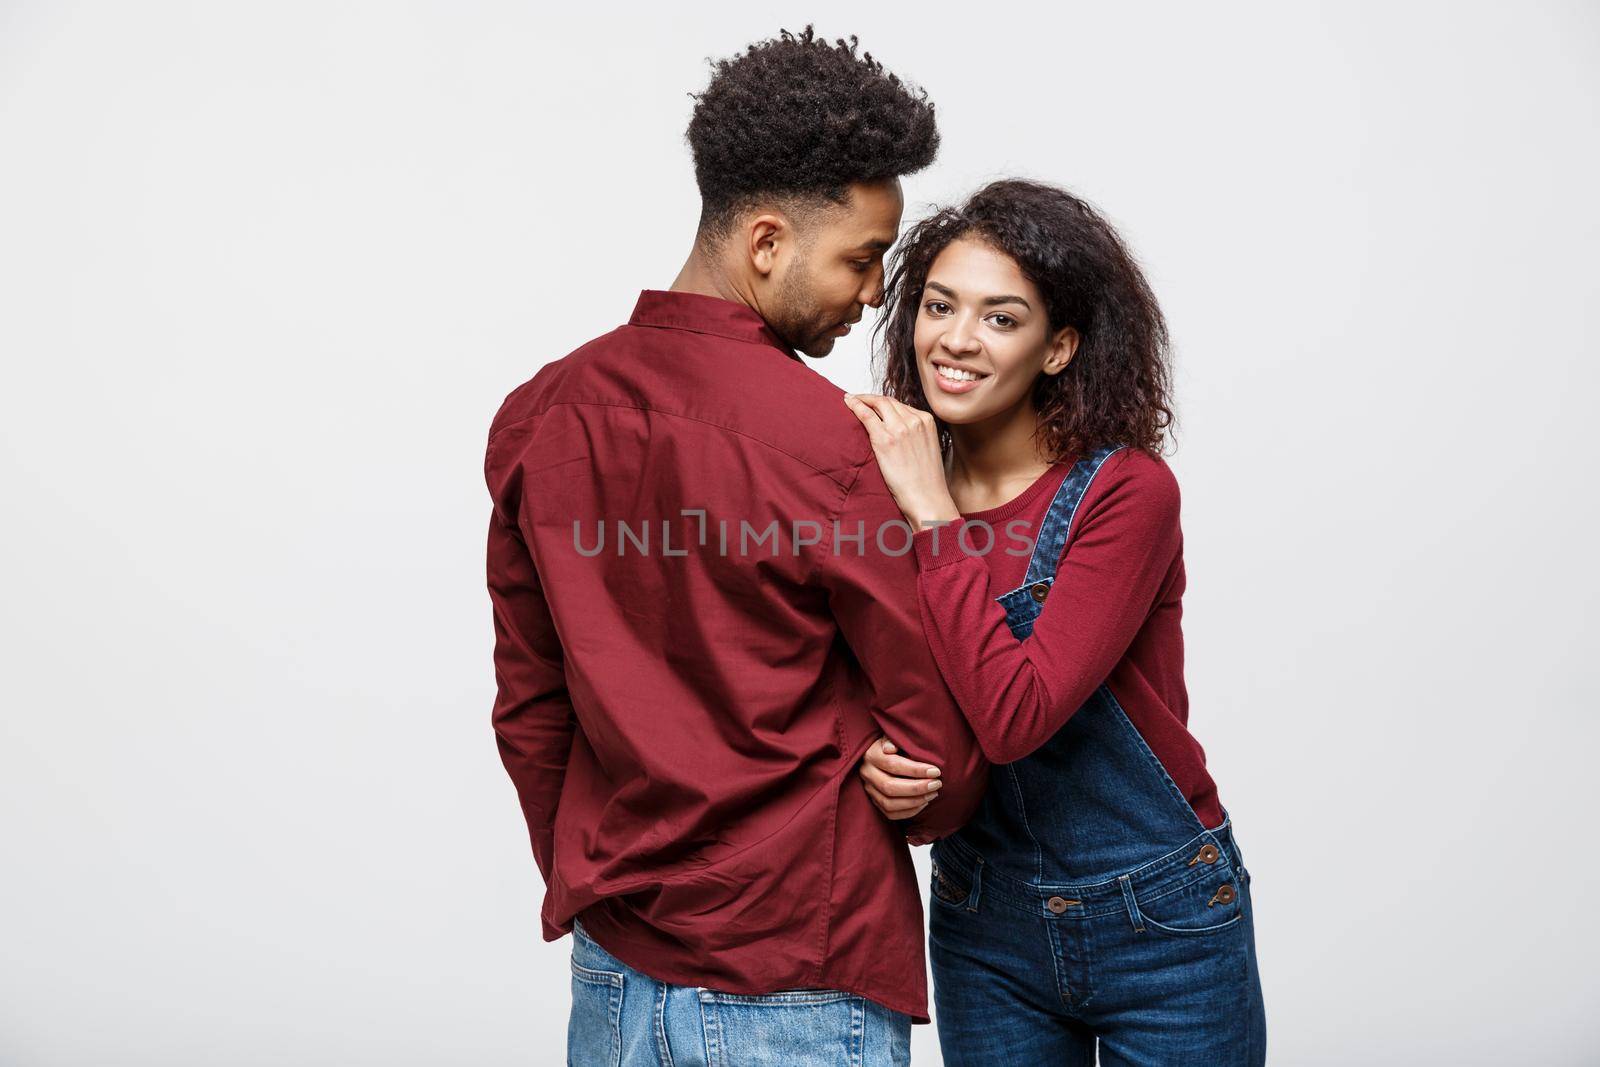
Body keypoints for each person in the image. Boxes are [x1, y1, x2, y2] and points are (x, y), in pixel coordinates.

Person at [482, 28, 987, 1067]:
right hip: (797, 965)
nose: (873, 294)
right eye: (860, 259)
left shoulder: (540, 415)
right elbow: (934, 733)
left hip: (614, 971)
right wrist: (941, 787)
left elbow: (530, 707)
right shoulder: (842, 447)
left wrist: (608, 871)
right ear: (765, 243)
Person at [843, 179, 1267, 1065]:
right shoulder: (879, 486)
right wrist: (879, 757)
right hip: (982, 919)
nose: (956, 340)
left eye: (1001, 318)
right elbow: (875, 679)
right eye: (938, 306)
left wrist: (932, 516)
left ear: (1059, 347)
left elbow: (1016, 714)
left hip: (1163, 915)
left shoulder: (1125, 494)